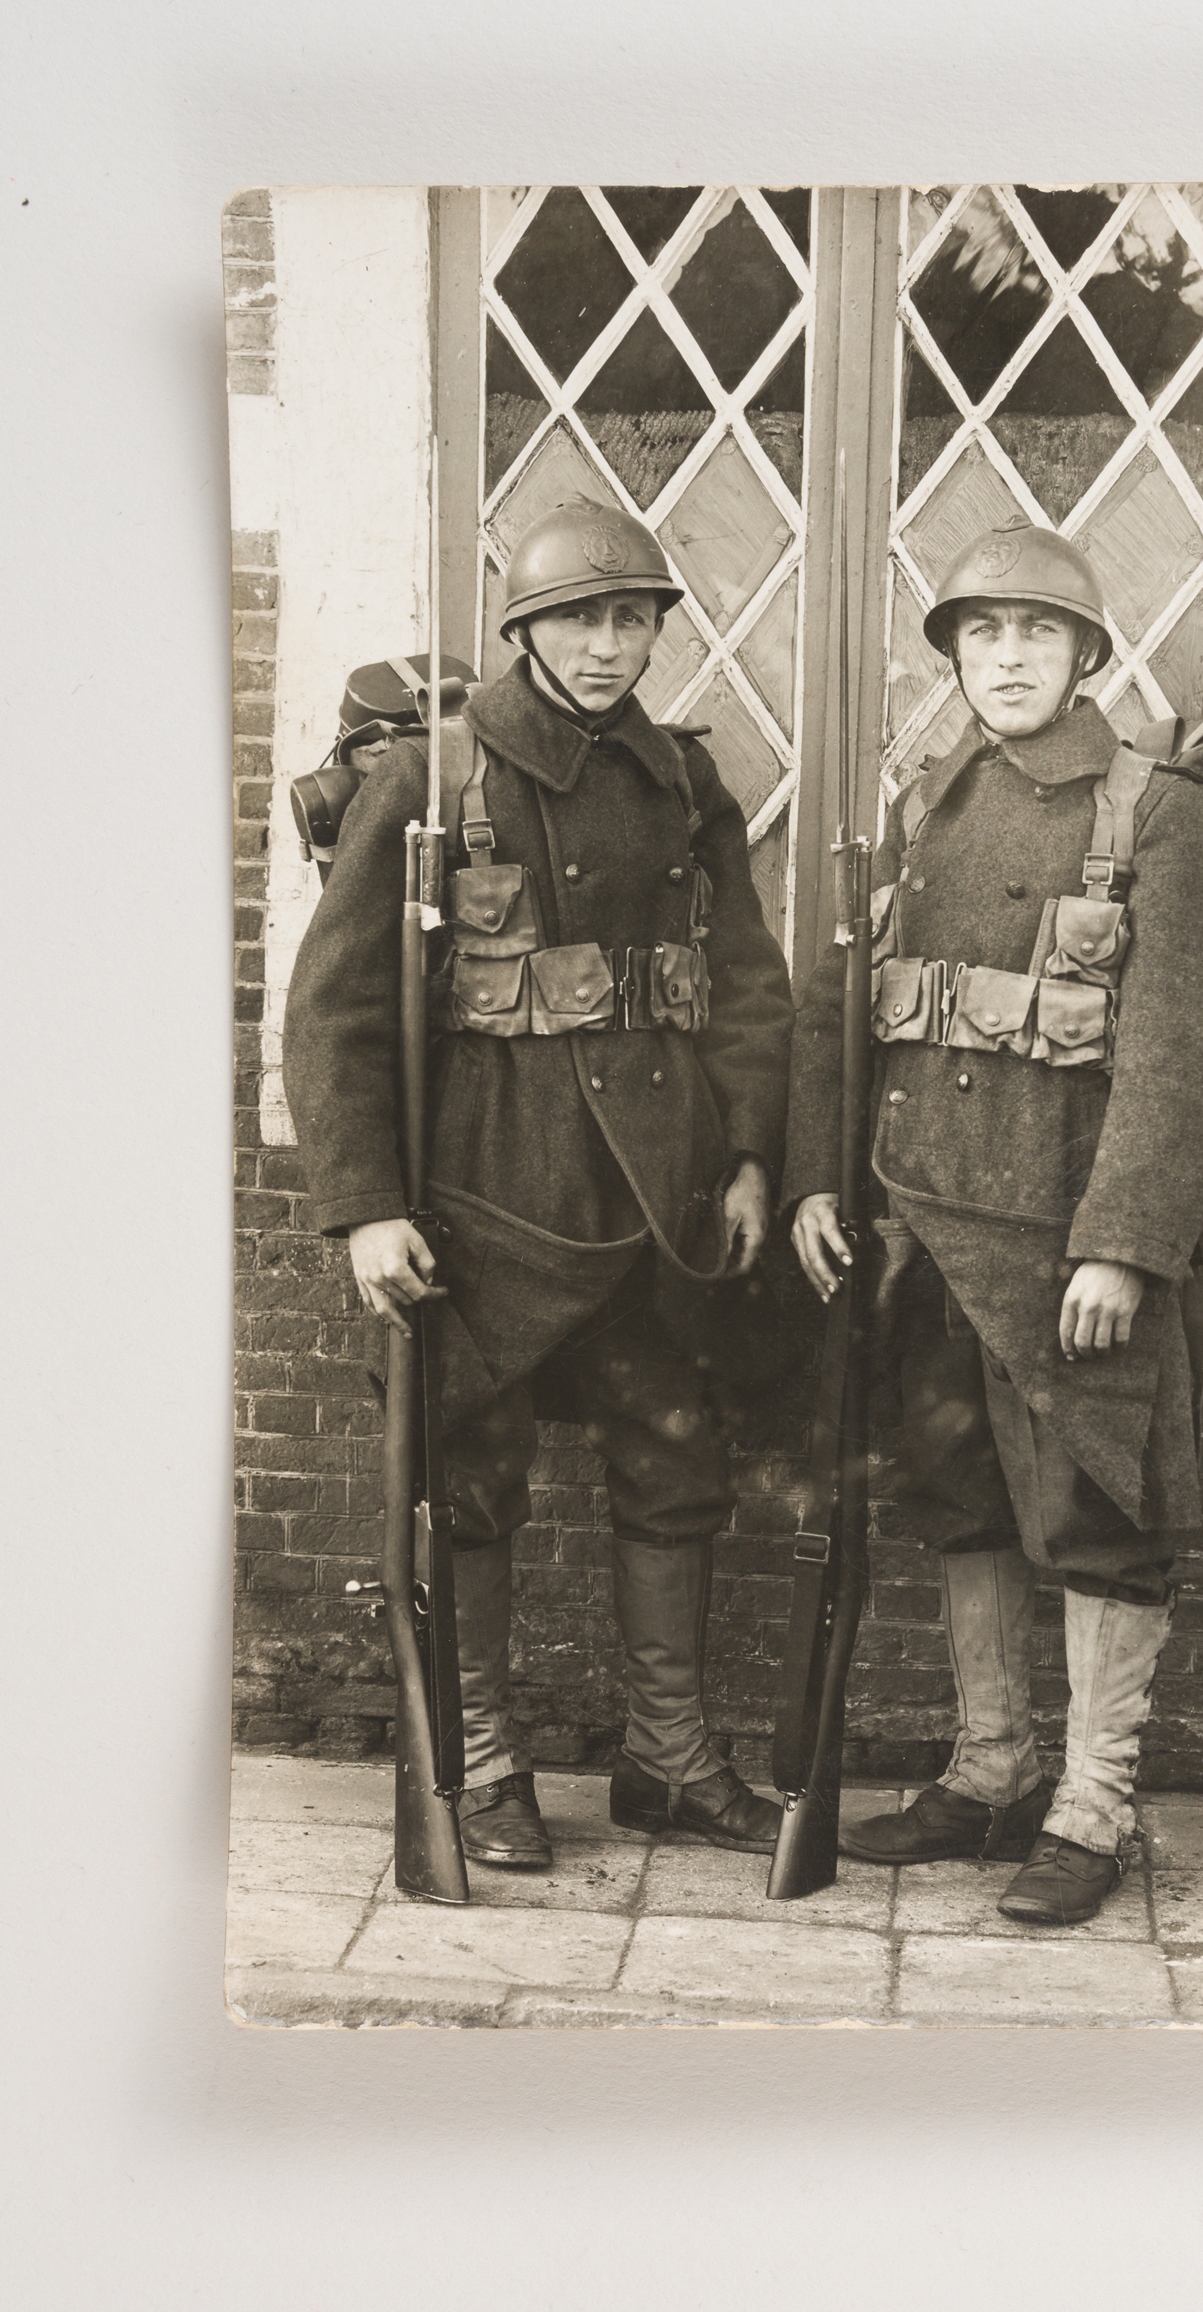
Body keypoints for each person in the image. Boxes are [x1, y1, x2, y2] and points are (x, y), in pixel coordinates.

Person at [284, 500, 794, 1869]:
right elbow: (334, 1012)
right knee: (469, 1473)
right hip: (485, 1193)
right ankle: (484, 1759)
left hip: (659, 1192)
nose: (608, 645)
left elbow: (745, 984)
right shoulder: (432, 778)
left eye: (632, 619)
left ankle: (669, 1758)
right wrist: (365, 1207)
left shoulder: (685, 783)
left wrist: (752, 1156)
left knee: (675, 1461)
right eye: (578, 618)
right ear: (526, 630)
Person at [784, 526, 1203, 1923]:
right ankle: (992, 1769)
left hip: (1066, 1243)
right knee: (964, 1498)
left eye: (1037, 634)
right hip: (928, 1229)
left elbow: (1190, 1056)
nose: (1007, 660)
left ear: (1083, 656)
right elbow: (847, 1009)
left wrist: (1125, 1243)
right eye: (981, 635)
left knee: (1102, 1514)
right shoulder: (927, 800)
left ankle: (1092, 1805)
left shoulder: (1151, 812)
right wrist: (821, 1177)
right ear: (954, 657)